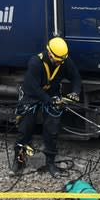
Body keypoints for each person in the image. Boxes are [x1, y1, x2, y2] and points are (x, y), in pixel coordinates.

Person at [12, 37, 81, 177]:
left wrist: (75, 92)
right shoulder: (35, 63)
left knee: (52, 129)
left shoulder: (64, 60)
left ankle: (50, 162)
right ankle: (19, 159)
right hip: (32, 96)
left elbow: (76, 77)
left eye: (62, 60)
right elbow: (33, 88)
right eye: (57, 60)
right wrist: (49, 101)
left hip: (52, 94)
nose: (60, 63)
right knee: (25, 127)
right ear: (50, 54)